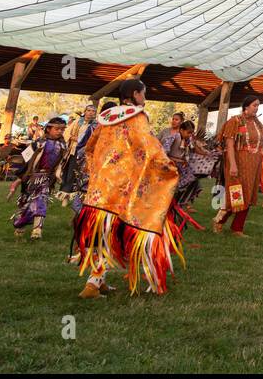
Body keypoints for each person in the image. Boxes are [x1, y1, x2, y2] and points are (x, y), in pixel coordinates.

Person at [72, 79, 186, 298]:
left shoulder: (107, 118)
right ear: (135, 94)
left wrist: (97, 172)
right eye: (143, 93)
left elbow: (90, 148)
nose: (145, 98)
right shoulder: (137, 116)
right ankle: (145, 280)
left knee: (103, 237)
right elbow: (149, 147)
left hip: (101, 191)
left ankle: (95, 282)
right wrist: (168, 168)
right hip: (125, 192)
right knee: (136, 229)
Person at [213, 95, 263, 236]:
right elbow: (230, 146)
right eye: (254, 105)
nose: (257, 108)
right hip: (238, 163)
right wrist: (232, 165)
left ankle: (237, 228)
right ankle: (219, 221)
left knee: (248, 196)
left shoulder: (258, 124)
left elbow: (262, 146)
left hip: (254, 164)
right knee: (236, 195)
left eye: (258, 105)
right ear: (246, 107)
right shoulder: (235, 121)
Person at [9, 116, 67, 239]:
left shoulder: (63, 146)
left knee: (41, 201)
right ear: (48, 129)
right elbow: (26, 160)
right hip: (31, 177)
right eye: (57, 129)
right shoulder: (38, 143)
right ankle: (20, 225)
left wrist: (59, 176)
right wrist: (19, 179)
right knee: (26, 204)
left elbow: (62, 164)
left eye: (62, 129)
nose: (60, 132)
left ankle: (37, 230)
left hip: (47, 178)